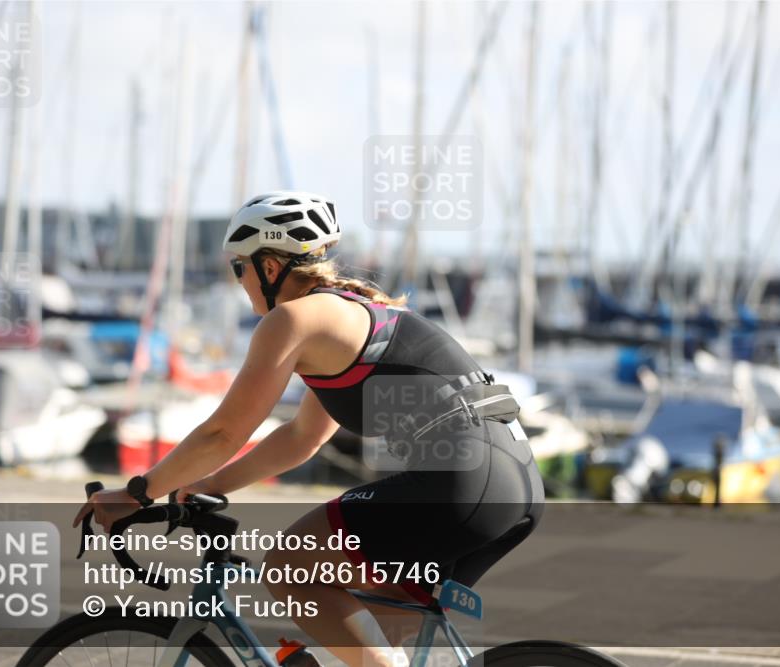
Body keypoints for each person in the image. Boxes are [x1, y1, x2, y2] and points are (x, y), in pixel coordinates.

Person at [75, 191, 544, 667]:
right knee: (371, 640)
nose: (239, 280)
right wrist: (208, 484)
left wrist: (138, 491)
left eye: (240, 267)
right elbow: (303, 436)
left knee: (287, 566)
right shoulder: (343, 314)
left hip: (462, 481)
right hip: (513, 479)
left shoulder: (294, 318)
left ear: (271, 267)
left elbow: (223, 433)